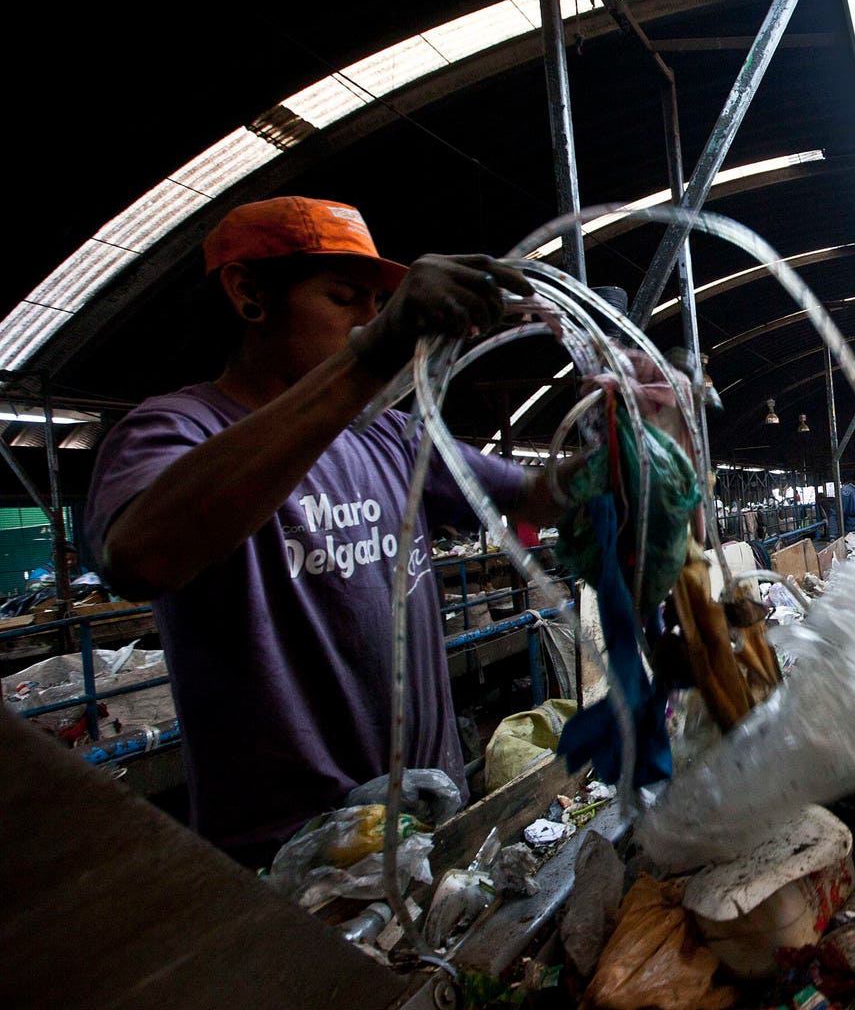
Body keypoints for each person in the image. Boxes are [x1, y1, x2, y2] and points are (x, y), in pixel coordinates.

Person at [84, 196, 570, 867]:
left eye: (379, 305)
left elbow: (537, 496)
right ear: (250, 295)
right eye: (344, 297)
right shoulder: (176, 430)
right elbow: (141, 556)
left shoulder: (395, 438)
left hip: (434, 830)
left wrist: (627, 448)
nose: (368, 319)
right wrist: (371, 357)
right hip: (293, 868)